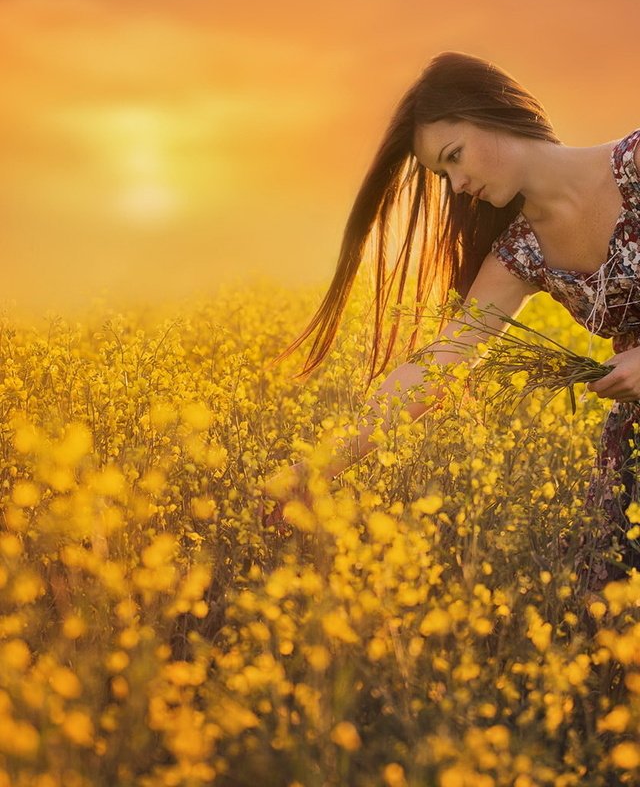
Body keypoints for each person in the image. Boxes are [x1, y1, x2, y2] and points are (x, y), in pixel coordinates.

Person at [262, 50, 640, 598]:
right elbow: (442, 362)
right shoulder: (521, 252)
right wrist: (314, 469)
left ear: (494, 111)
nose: (458, 183)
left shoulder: (633, 165)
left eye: (456, 156)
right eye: (444, 173)